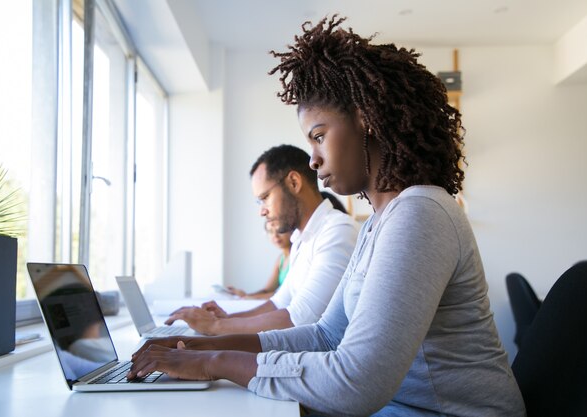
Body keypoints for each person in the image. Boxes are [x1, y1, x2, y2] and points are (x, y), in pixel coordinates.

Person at [128, 16, 526, 416]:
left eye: (319, 136)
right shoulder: (378, 224)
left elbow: (357, 383)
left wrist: (215, 364)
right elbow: (327, 334)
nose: (313, 159)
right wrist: (203, 347)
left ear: (366, 120)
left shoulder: (421, 213)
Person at [164, 144, 359, 335]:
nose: (262, 211)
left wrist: (215, 327)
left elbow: (300, 318)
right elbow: (278, 303)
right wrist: (225, 320)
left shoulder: (337, 230)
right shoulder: (303, 238)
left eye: (265, 197)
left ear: (294, 182)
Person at [226, 221, 291, 299]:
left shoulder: (297, 256)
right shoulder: (281, 259)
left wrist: (249, 298)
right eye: (270, 232)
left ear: (291, 231)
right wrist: (245, 295)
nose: (275, 236)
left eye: (280, 231)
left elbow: (286, 295)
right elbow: (267, 290)